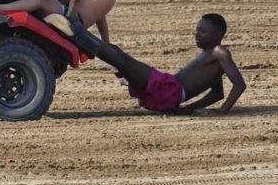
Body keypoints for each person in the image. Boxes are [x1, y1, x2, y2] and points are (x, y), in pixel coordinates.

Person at [69, 12, 246, 114]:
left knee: (123, 60)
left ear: (217, 34)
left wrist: (223, 111)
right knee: (119, 56)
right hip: (169, 95)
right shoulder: (212, 57)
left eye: (202, 31)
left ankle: (78, 32)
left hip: (169, 90)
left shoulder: (219, 52)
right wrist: (189, 108)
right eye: (196, 30)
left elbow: (239, 85)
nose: (196, 34)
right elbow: (217, 93)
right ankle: (81, 35)